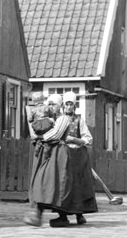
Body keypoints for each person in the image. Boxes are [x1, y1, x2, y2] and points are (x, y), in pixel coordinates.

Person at [22, 92, 97, 228]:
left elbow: (55, 134)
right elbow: (35, 131)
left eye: (54, 104)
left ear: (60, 106)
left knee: (57, 185)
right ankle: (43, 215)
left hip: (60, 155)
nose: (51, 107)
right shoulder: (48, 119)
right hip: (50, 155)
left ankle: (51, 216)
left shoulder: (63, 119)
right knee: (46, 183)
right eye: (49, 104)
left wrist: (41, 137)